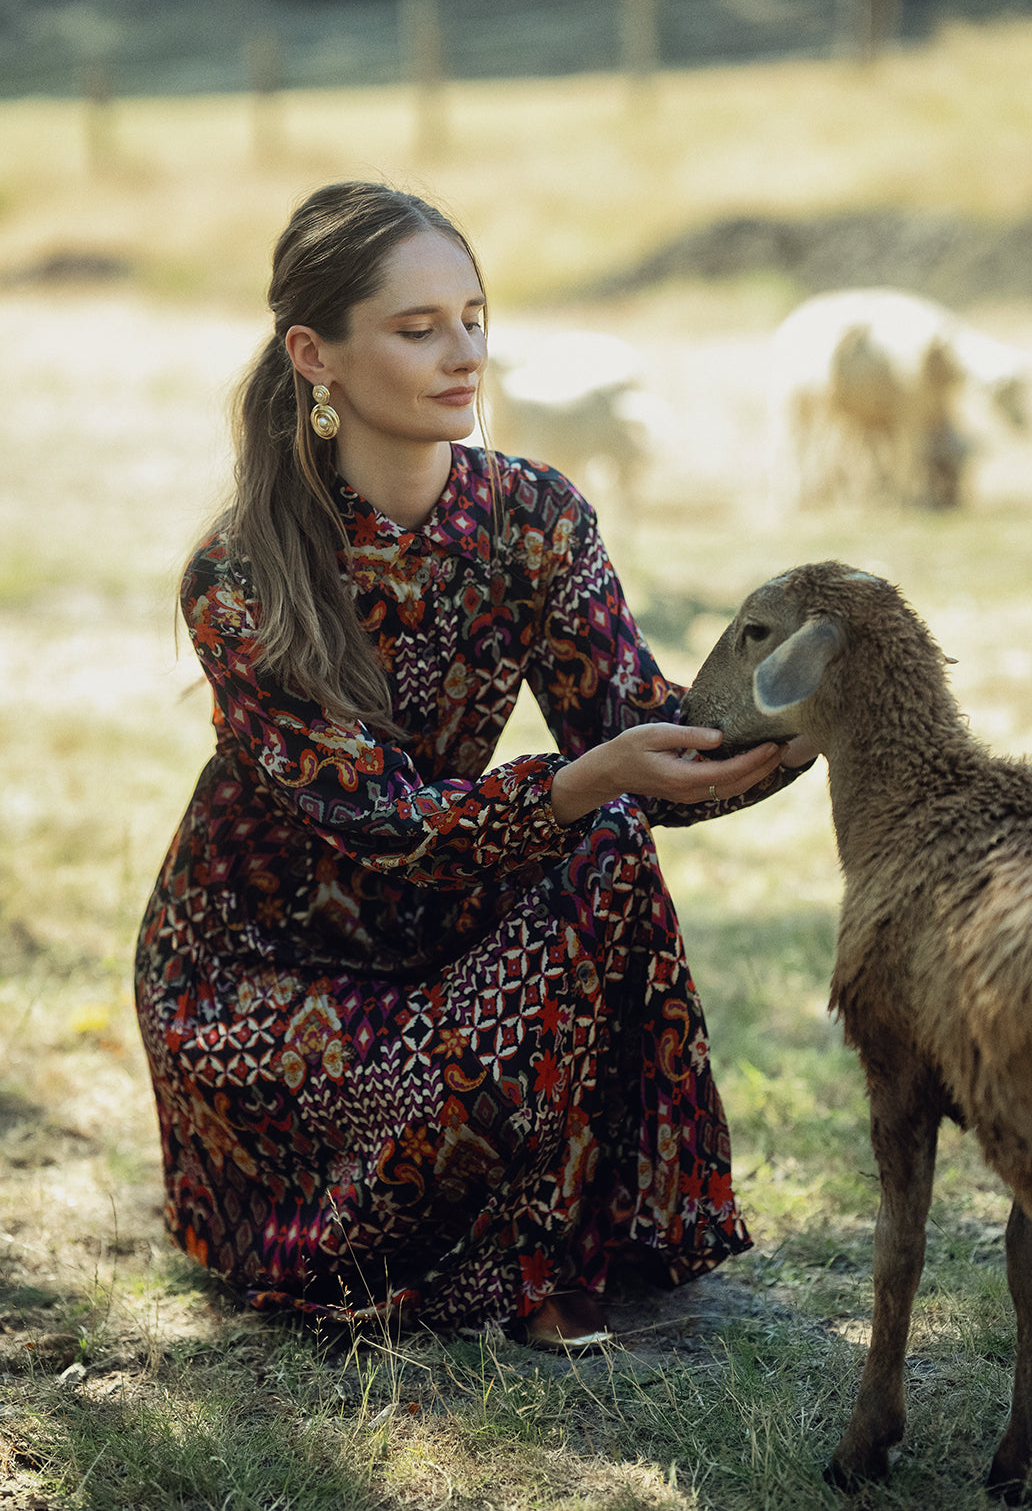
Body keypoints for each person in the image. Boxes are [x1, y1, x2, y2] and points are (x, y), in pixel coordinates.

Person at [134, 180, 814, 1350]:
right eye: (418, 328)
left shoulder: (535, 518)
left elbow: (642, 732)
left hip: (440, 925)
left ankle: (557, 1254)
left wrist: (830, 702)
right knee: (586, 815)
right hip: (259, 976)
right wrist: (583, 780)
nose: (466, 355)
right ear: (317, 355)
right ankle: (464, 1259)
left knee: (605, 843)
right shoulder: (240, 574)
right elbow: (385, 822)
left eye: (475, 316)